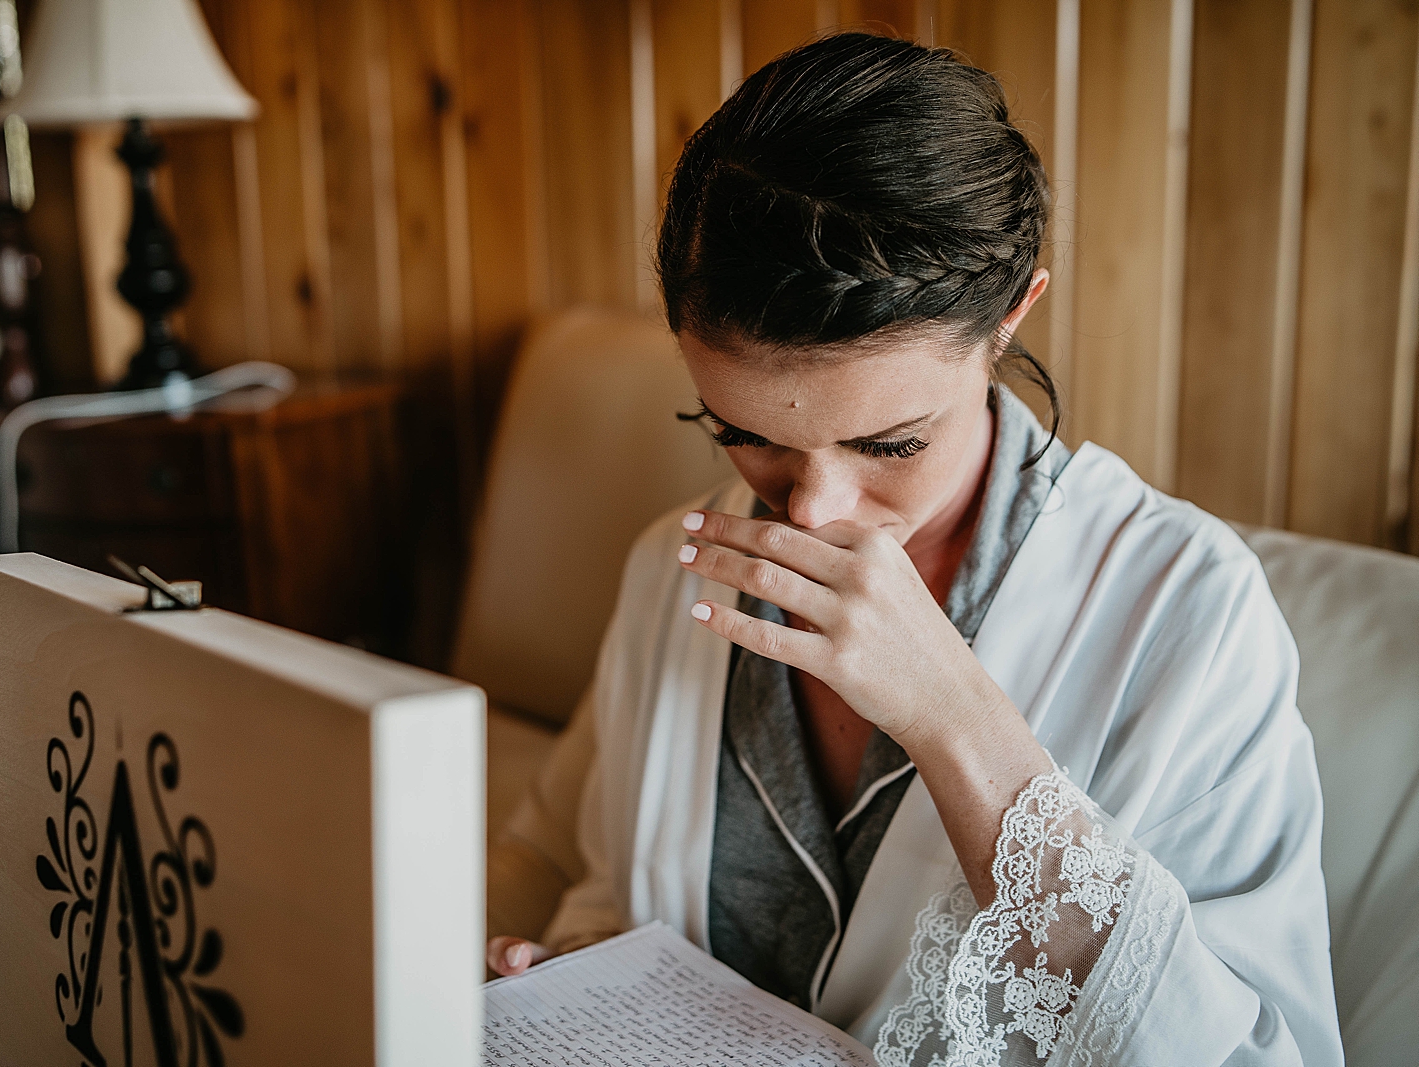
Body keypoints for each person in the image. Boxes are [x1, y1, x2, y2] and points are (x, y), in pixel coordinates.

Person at [486, 33, 1341, 1065]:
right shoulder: (670, 569)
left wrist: (953, 717)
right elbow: (610, 882)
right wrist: (570, 974)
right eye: (743, 433)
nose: (810, 510)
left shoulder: (1189, 611)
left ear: (1013, 310)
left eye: (889, 442)